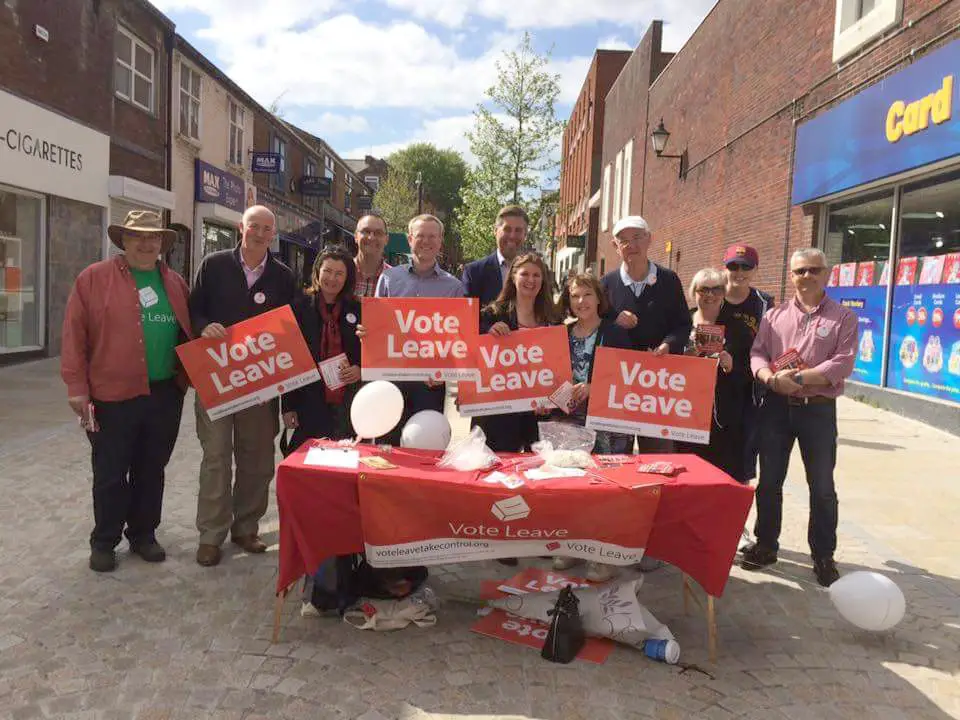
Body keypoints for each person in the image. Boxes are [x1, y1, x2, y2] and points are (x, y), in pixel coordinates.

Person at [61, 210, 192, 572]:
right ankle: (104, 540)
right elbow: (74, 335)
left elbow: (190, 332)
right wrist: (77, 387)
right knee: (110, 471)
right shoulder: (93, 279)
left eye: (153, 237)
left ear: (162, 244)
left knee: (152, 469)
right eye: (137, 237)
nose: (146, 243)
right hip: (111, 394)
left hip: (165, 393)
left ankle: (143, 534)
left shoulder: (175, 283)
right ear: (124, 241)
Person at [189, 205, 299, 567]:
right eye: (255, 226)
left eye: (268, 229)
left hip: (259, 383)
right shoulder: (214, 264)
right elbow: (194, 310)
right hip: (218, 379)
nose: (260, 233)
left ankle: (246, 527)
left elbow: (291, 328)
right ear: (242, 228)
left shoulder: (283, 276)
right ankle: (210, 535)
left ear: (273, 235)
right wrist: (204, 326)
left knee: (256, 458)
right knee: (216, 456)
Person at [741, 248, 857, 587]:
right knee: (769, 482)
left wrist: (801, 379)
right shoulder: (773, 317)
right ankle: (765, 546)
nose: (806, 276)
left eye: (813, 270)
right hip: (776, 409)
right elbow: (758, 353)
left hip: (818, 410)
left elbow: (843, 362)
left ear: (827, 273)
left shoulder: (843, 318)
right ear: (791, 275)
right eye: (799, 271)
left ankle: (823, 555)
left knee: (821, 487)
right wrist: (768, 378)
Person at [550, 273, 632, 582]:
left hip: (607, 423)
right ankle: (571, 545)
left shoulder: (615, 334)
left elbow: (628, 377)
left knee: (606, 489)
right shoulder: (562, 333)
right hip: (568, 419)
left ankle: (602, 556)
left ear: (599, 298)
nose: (580, 301)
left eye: (586, 294)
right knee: (571, 486)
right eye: (574, 296)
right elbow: (548, 373)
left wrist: (596, 386)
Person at [600, 215, 692, 452]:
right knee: (617, 457)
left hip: (657, 387)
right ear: (615, 246)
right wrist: (613, 318)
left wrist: (668, 345)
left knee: (658, 456)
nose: (632, 245)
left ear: (649, 239)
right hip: (618, 386)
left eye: (638, 237)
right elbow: (592, 321)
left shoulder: (668, 280)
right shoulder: (606, 284)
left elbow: (683, 324)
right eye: (624, 240)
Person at [374, 214, 464, 444]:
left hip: (430, 382)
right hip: (391, 379)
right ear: (409, 239)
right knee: (387, 447)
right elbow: (377, 329)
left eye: (432, 236)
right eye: (420, 236)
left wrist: (445, 370)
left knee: (425, 448)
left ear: (440, 241)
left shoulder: (454, 287)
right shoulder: (388, 279)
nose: (426, 241)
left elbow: (458, 338)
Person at [475, 252, 559, 454]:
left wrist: (553, 401)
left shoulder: (553, 319)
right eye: (525, 274)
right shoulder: (492, 315)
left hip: (537, 415)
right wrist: (489, 332)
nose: (531, 280)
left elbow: (560, 368)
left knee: (537, 474)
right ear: (513, 277)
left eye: (537, 275)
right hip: (498, 415)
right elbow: (472, 353)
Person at [281, 246, 362, 450]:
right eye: (327, 271)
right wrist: (288, 406)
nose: (332, 279)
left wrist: (360, 369)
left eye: (339, 273)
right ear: (317, 272)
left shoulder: (359, 310)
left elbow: (369, 352)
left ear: (347, 278)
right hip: (309, 401)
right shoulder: (299, 308)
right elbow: (289, 360)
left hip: (347, 403)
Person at [679, 268, 754, 482]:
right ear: (694, 292)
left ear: (724, 293)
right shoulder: (681, 325)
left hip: (723, 419)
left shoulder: (737, 328)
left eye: (716, 289)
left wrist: (731, 366)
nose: (710, 295)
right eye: (704, 289)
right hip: (684, 416)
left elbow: (750, 372)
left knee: (722, 479)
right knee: (688, 477)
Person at [722, 244, 774, 483]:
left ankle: (735, 516)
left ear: (755, 269)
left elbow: (773, 345)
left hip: (748, 390)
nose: (739, 272)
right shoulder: (713, 296)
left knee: (742, 460)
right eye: (733, 266)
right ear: (725, 267)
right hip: (713, 389)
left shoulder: (764, 303)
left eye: (746, 267)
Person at [461, 205, 529, 305]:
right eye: (507, 229)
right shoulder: (474, 273)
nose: (512, 236)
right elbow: (468, 316)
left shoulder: (537, 273)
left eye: (518, 230)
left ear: (525, 235)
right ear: (495, 231)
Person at [354, 213, 391, 298]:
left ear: (386, 239)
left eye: (378, 233)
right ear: (356, 236)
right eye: (366, 231)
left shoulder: (395, 279)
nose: (371, 237)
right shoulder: (342, 272)